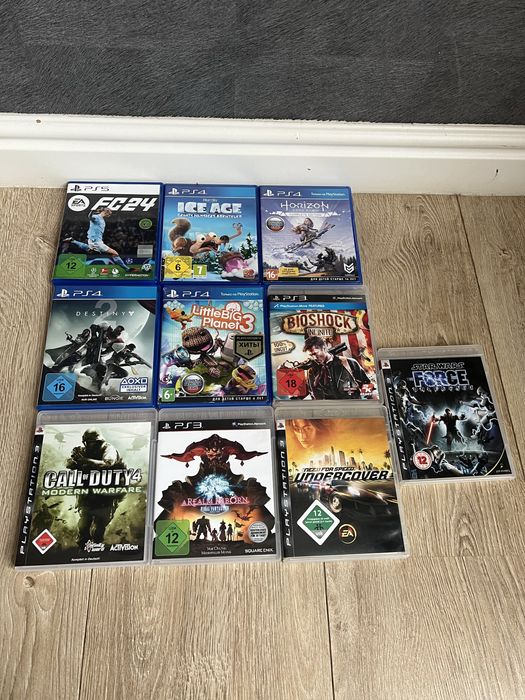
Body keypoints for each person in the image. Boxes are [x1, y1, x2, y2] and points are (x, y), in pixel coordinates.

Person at [65, 429, 125, 548]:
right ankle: (83, 545)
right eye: (88, 442)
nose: (90, 445)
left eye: (93, 442)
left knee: (101, 523)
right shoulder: (83, 451)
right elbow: (68, 464)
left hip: (106, 493)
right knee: (84, 521)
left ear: (99, 442)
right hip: (88, 493)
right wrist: (75, 460)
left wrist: (85, 461)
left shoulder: (108, 449)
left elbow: (108, 463)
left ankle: (97, 544)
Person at [301, 336, 370, 399]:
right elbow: (311, 393)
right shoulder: (311, 372)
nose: (314, 358)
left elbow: (367, 384)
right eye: (311, 355)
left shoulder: (348, 363)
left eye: (315, 353)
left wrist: (367, 399)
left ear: (324, 348)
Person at [64, 207, 130, 271]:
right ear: (106, 212)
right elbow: (90, 217)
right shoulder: (97, 217)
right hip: (96, 242)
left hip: (95, 241)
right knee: (114, 253)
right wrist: (91, 213)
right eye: (110, 213)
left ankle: (73, 241)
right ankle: (127, 269)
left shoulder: (102, 219)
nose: (110, 215)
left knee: (90, 249)